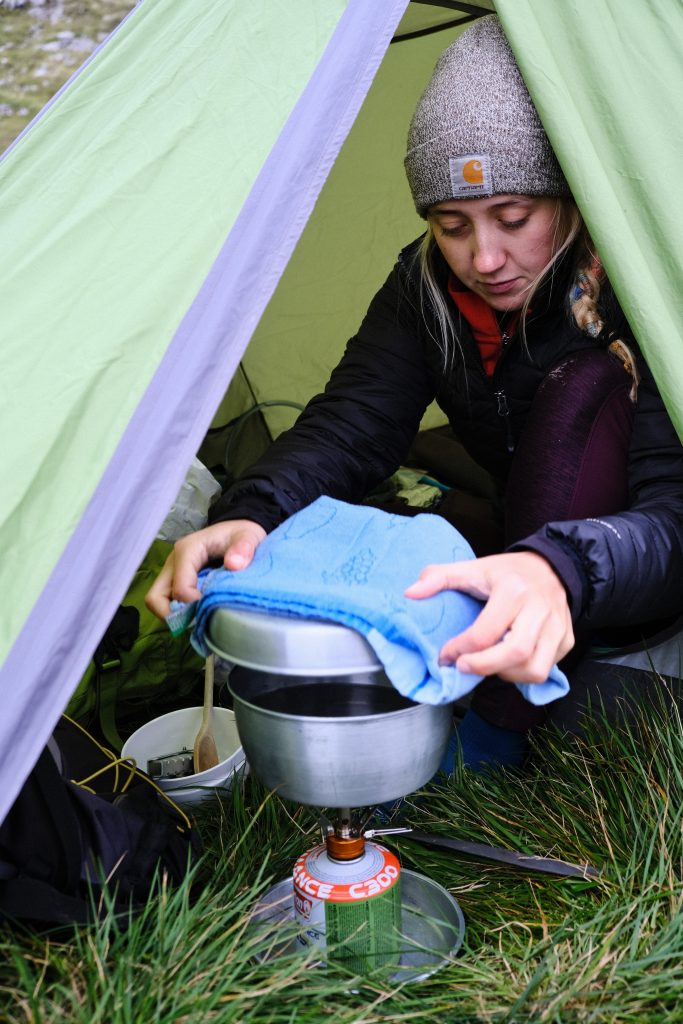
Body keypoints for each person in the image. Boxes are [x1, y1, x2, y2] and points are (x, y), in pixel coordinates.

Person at [146, 16, 683, 767]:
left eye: (513, 218)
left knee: (583, 387)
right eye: (451, 224)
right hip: (532, 542)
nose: (484, 258)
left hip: (638, 575)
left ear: (569, 199)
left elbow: (674, 510)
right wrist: (252, 511)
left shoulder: (640, 282)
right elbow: (352, 422)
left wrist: (559, 569)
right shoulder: (424, 286)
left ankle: (501, 723)